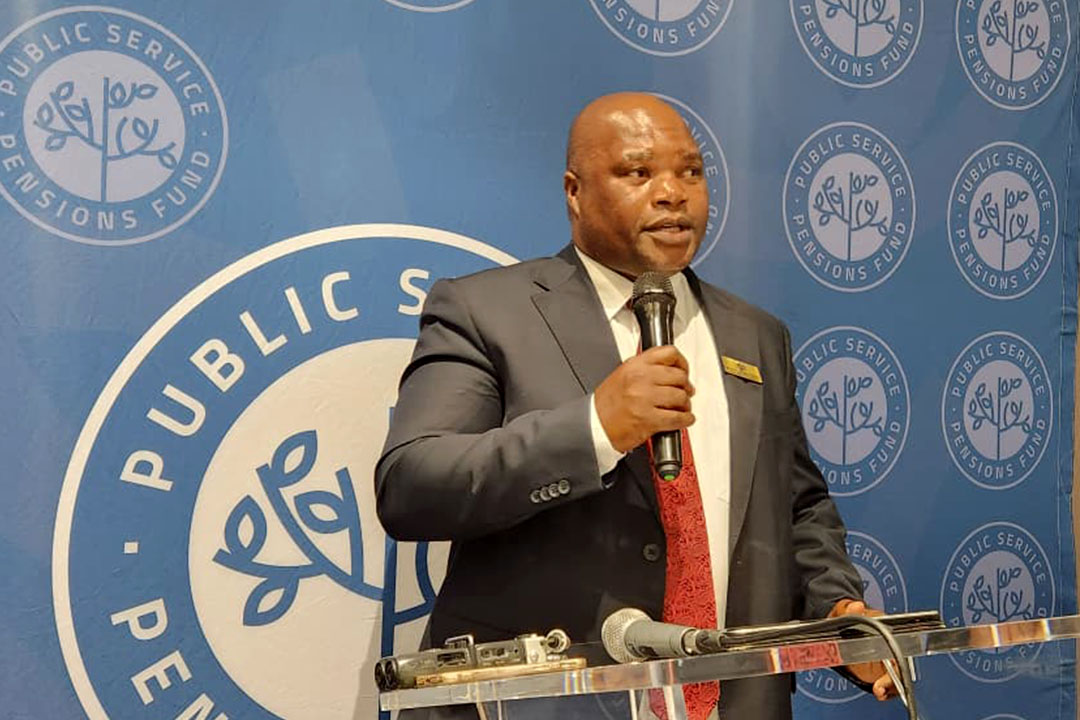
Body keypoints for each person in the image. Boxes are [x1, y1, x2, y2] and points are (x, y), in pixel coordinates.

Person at [376, 92, 895, 719]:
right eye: (638, 172)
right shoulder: (485, 312)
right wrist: (595, 428)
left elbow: (796, 506)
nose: (673, 193)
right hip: (548, 706)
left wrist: (836, 609)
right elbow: (412, 485)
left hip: (733, 701)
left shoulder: (756, 334)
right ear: (574, 192)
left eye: (691, 172)